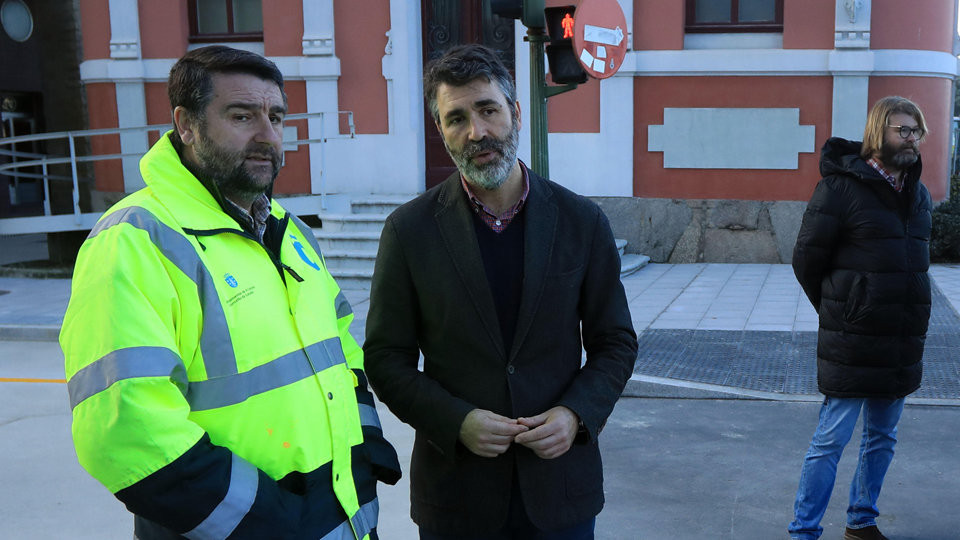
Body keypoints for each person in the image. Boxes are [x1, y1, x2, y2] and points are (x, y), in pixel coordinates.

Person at [60, 45, 400, 540]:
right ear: (187, 125)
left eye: (276, 117)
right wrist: (268, 523)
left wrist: (365, 442)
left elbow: (341, 345)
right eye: (242, 116)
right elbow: (126, 430)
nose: (267, 136)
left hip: (344, 519)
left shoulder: (290, 231)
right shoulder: (135, 240)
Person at [363, 44, 638, 539]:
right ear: (441, 130)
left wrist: (576, 414)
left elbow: (614, 342)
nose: (477, 132)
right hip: (457, 496)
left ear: (514, 112)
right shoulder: (409, 231)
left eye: (488, 110)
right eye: (456, 118)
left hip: (560, 492)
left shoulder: (582, 222)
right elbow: (386, 358)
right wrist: (456, 420)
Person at [789, 96, 932, 540]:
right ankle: (804, 531)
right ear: (878, 134)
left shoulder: (918, 191)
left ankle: (861, 520)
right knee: (831, 440)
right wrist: (845, 307)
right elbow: (806, 259)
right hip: (854, 337)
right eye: (902, 131)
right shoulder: (841, 187)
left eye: (916, 131)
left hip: (901, 338)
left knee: (882, 439)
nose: (911, 140)